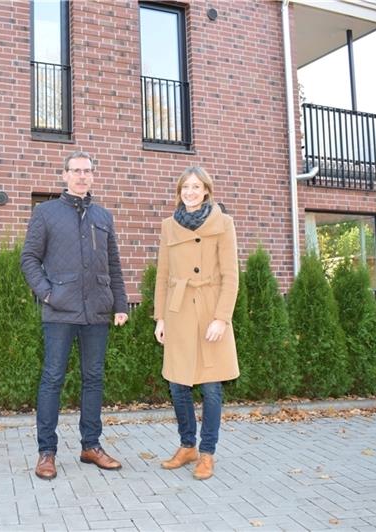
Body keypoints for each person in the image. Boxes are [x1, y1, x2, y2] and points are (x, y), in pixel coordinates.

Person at [21, 150, 129, 481]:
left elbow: (113, 264)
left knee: (93, 379)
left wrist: (120, 304)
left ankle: (91, 446)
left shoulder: (103, 216)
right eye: (75, 170)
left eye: (87, 171)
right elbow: (29, 258)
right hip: (60, 311)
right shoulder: (46, 213)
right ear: (64, 175)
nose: (82, 176)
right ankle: (47, 452)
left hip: (96, 310)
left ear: (93, 176)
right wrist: (48, 293)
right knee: (53, 378)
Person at [153, 166, 239, 481]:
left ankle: (207, 453)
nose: (190, 192)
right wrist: (159, 316)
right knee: (177, 384)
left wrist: (221, 318)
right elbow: (162, 275)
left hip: (209, 310)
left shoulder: (223, 224)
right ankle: (187, 445)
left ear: (206, 191)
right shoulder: (168, 226)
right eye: (185, 187)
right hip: (177, 311)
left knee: (211, 386)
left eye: (196, 186)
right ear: (180, 192)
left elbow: (231, 276)